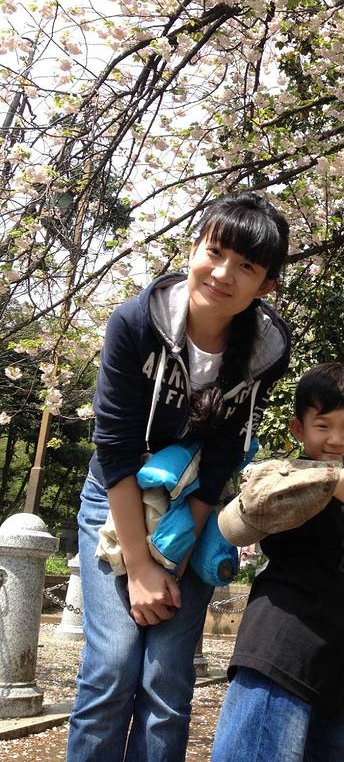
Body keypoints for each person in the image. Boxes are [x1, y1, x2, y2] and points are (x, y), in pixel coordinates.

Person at [66, 192, 290, 762]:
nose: (223, 274)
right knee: (112, 667)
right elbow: (115, 449)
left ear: (265, 285)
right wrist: (141, 567)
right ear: (193, 249)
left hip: (194, 500)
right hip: (118, 496)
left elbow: (225, 450)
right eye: (214, 252)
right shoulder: (136, 323)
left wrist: (181, 544)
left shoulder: (265, 351)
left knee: (166, 678)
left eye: (246, 266)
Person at [212, 362, 344, 762]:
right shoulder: (293, 484)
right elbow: (252, 504)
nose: (336, 438)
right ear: (298, 429)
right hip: (280, 659)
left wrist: (340, 482)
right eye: (323, 425)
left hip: (330, 677)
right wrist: (331, 479)